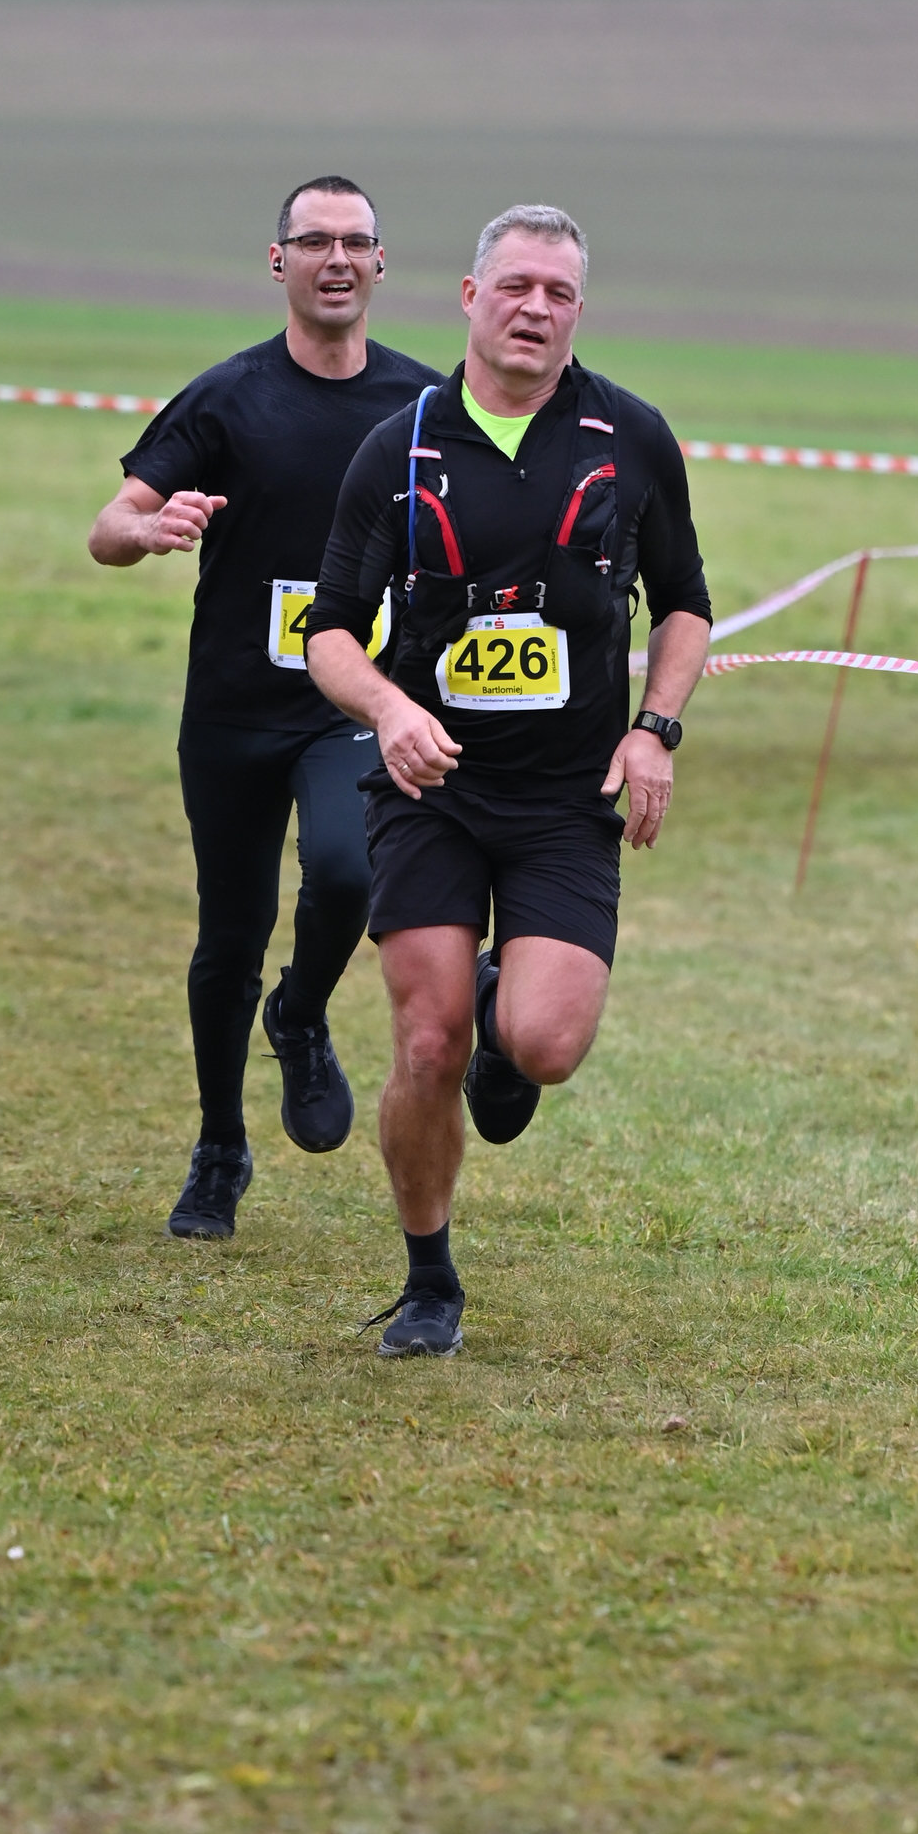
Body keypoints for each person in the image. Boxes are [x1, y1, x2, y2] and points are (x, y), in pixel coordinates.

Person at [304, 205, 712, 1354]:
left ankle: (501, 1008)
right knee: (423, 1042)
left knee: (542, 1046)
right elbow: (326, 632)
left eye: (558, 293)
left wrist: (653, 730)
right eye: (516, 286)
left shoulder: (628, 439)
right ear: (470, 297)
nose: (535, 309)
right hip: (429, 790)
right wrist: (388, 710)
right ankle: (429, 1282)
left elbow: (684, 603)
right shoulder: (399, 448)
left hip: (565, 800)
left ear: (578, 312)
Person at [87, 177, 440, 1238]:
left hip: (353, 700)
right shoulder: (226, 398)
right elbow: (108, 526)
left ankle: (300, 1012)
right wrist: (148, 531)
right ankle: (218, 1150)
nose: (336, 259)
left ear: (380, 263)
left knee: (346, 867)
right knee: (227, 934)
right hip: (236, 707)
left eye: (355, 242)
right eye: (314, 241)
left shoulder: (424, 407)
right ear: (278, 261)